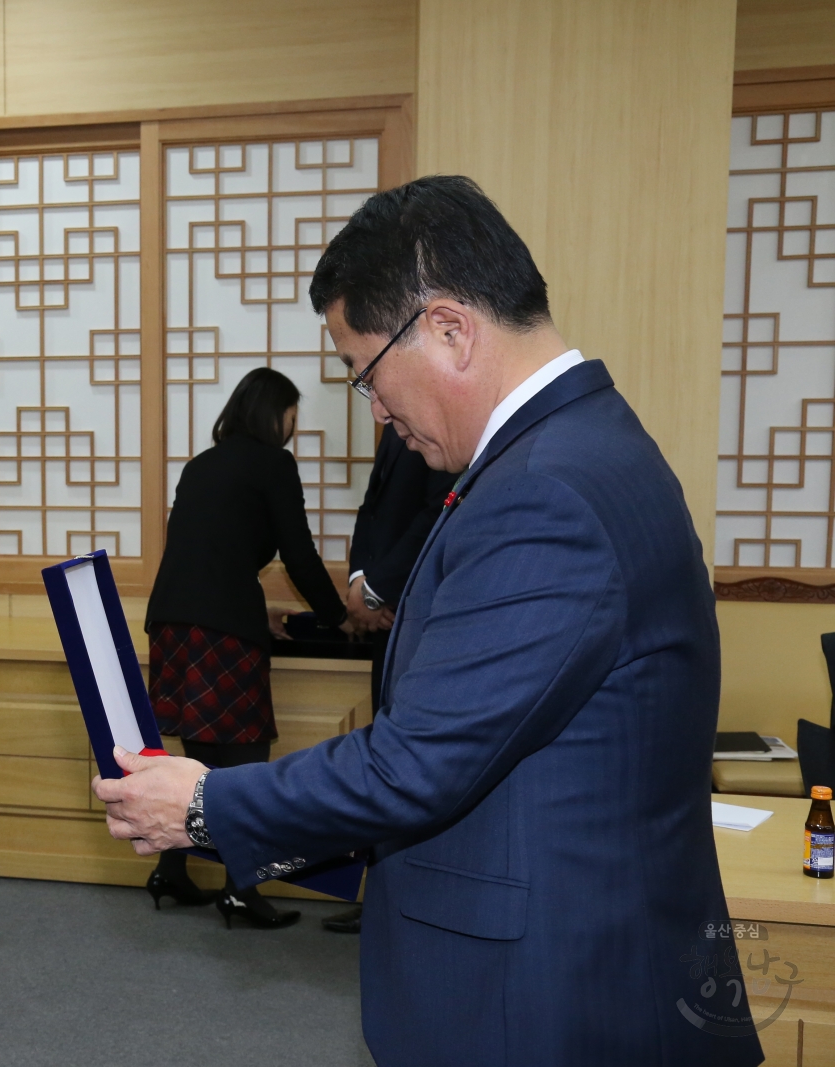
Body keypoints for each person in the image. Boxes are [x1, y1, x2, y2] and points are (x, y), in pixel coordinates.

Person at [94, 176, 759, 1066]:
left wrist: (209, 802)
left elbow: (419, 761)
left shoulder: (545, 492)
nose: (375, 411)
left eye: (366, 375)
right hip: (573, 955)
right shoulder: (580, 447)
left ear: (448, 328)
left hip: (545, 996)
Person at [142, 366, 347, 929]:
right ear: (276, 414)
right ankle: (240, 888)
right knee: (245, 763)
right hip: (222, 631)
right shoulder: (273, 465)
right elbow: (300, 556)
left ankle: (172, 871)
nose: (293, 425)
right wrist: (339, 618)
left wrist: (265, 608)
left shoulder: (201, 465)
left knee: (197, 759)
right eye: (292, 415)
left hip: (171, 624)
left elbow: (211, 553)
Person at [321, 425, 459, 935]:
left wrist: (379, 589)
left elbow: (436, 511)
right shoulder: (394, 429)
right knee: (383, 742)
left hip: (415, 609)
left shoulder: (437, 430)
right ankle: (377, 892)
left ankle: (405, 892)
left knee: (409, 752)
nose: (375, 403)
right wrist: (360, 582)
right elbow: (370, 509)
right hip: (383, 611)